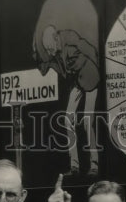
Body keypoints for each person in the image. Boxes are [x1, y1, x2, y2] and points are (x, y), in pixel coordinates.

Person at [37, 24, 100, 178]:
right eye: (47, 49)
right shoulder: (56, 51)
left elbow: (87, 52)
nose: (50, 52)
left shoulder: (69, 38)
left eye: (50, 48)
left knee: (87, 121)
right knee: (67, 120)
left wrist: (78, 66)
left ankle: (94, 164)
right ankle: (74, 165)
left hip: (90, 77)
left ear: (56, 38)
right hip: (77, 82)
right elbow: (58, 66)